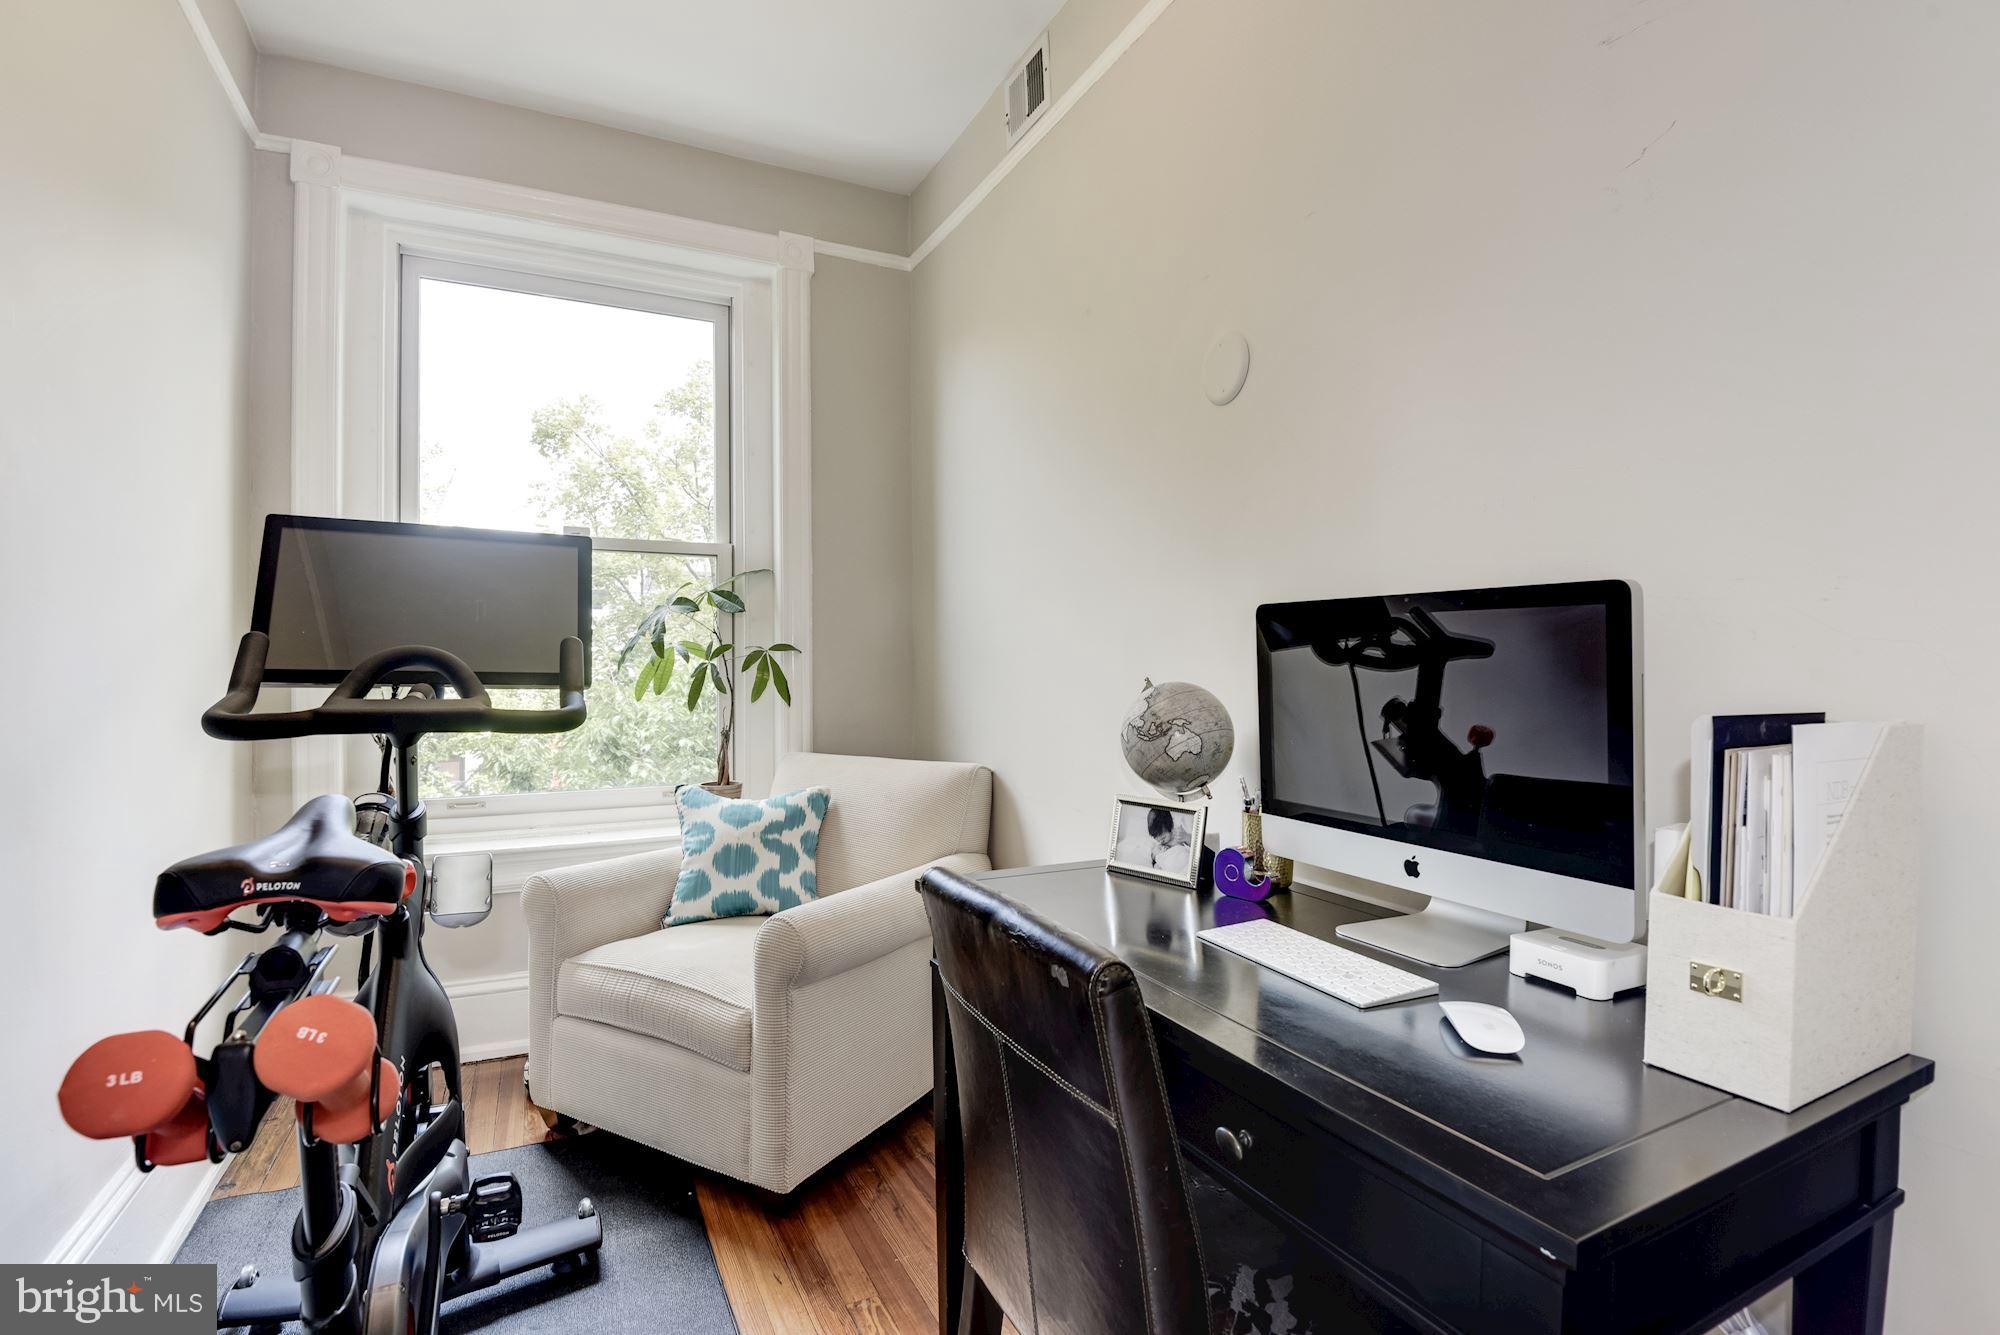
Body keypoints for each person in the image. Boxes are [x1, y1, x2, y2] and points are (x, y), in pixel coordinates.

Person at [1148, 807, 1191, 874]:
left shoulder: (1178, 836)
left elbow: (1194, 846)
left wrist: (1186, 837)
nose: (1161, 841)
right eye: (1156, 837)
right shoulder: (1157, 846)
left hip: (1183, 862)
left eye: (1163, 837)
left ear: (1171, 826)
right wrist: (1158, 855)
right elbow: (1156, 859)